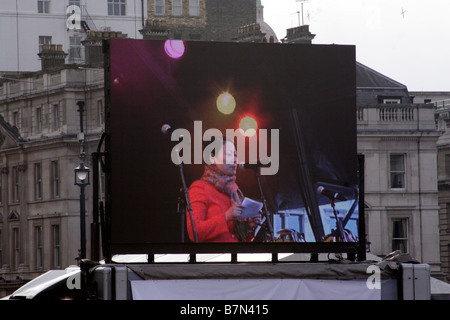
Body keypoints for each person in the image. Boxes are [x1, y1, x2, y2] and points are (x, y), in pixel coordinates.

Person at [186, 138, 257, 242]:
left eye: (235, 155)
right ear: (212, 158)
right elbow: (194, 232)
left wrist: (250, 228)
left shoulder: (235, 191)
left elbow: (238, 238)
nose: (234, 160)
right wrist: (226, 217)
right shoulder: (200, 188)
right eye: (228, 154)